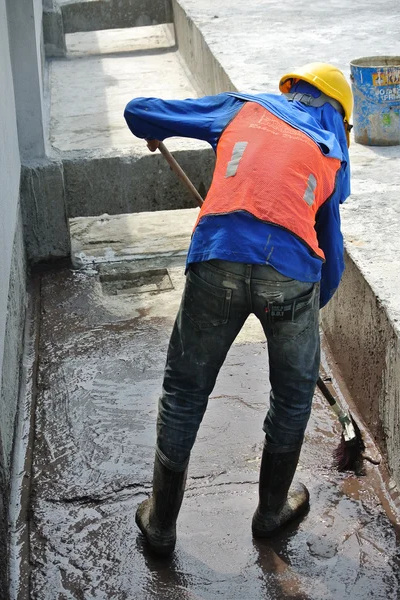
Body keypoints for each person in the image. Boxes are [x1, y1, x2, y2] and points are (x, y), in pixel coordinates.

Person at [124, 62, 352, 556]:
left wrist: (153, 128)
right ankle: (271, 513)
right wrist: (307, 313)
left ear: (292, 91)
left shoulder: (241, 108)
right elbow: (331, 257)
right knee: (292, 399)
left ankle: (161, 523)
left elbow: (138, 111)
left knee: (184, 391)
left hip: (218, 254)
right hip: (292, 274)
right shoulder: (330, 150)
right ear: (339, 117)